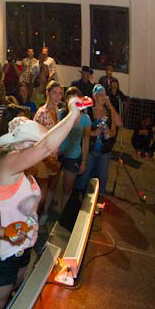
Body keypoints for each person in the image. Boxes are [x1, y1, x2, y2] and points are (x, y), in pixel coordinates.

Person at [0, 98, 83, 309]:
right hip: (4, 251)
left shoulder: (24, 169)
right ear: (20, 144)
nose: (37, 148)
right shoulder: (8, 163)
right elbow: (47, 148)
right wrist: (72, 114)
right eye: (33, 143)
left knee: (13, 290)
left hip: (22, 247)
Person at [76, 85, 121, 195]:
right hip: (89, 151)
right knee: (85, 176)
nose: (103, 97)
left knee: (102, 177)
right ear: (94, 97)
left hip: (104, 152)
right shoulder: (88, 112)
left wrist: (108, 134)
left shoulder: (109, 112)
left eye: (105, 95)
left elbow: (118, 125)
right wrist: (93, 133)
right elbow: (80, 131)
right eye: (100, 94)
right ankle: (78, 201)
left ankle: (99, 200)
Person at [58, 87, 91, 215]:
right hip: (57, 153)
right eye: (70, 98)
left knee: (67, 188)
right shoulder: (60, 113)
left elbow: (86, 141)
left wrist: (83, 161)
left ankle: (62, 214)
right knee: (51, 185)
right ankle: (45, 212)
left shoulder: (85, 119)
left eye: (76, 98)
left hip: (73, 156)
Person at [33, 81, 63, 221]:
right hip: (42, 157)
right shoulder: (42, 113)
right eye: (54, 93)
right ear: (48, 93)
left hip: (55, 155)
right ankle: (34, 216)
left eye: (60, 93)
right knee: (42, 190)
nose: (58, 96)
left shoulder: (58, 111)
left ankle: (44, 213)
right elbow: (35, 139)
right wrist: (46, 158)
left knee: (52, 185)